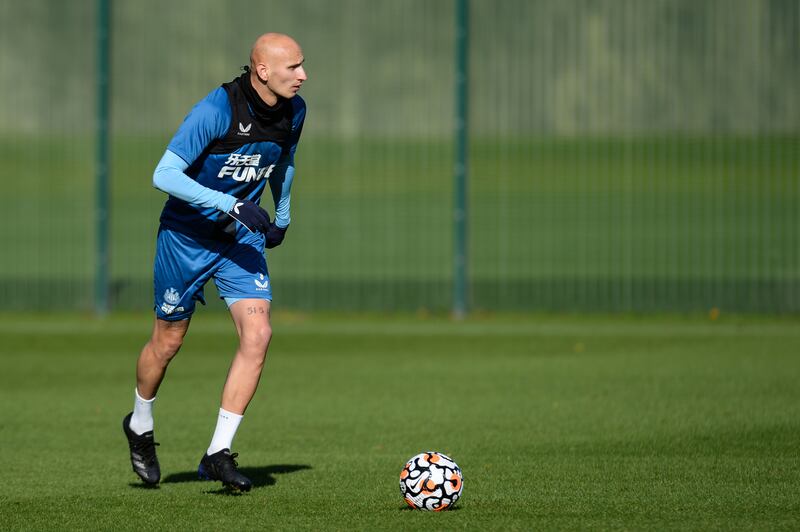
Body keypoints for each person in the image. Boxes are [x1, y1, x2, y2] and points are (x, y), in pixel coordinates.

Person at [122, 33, 307, 492]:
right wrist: (231, 203)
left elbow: (284, 161)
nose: (303, 76)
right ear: (262, 71)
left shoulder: (295, 111)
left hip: (240, 238)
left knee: (258, 334)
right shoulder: (216, 110)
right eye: (293, 68)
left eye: (303, 66)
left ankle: (218, 452)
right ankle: (140, 423)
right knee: (167, 343)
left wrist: (281, 214)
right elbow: (163, 174)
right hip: (185, 238)